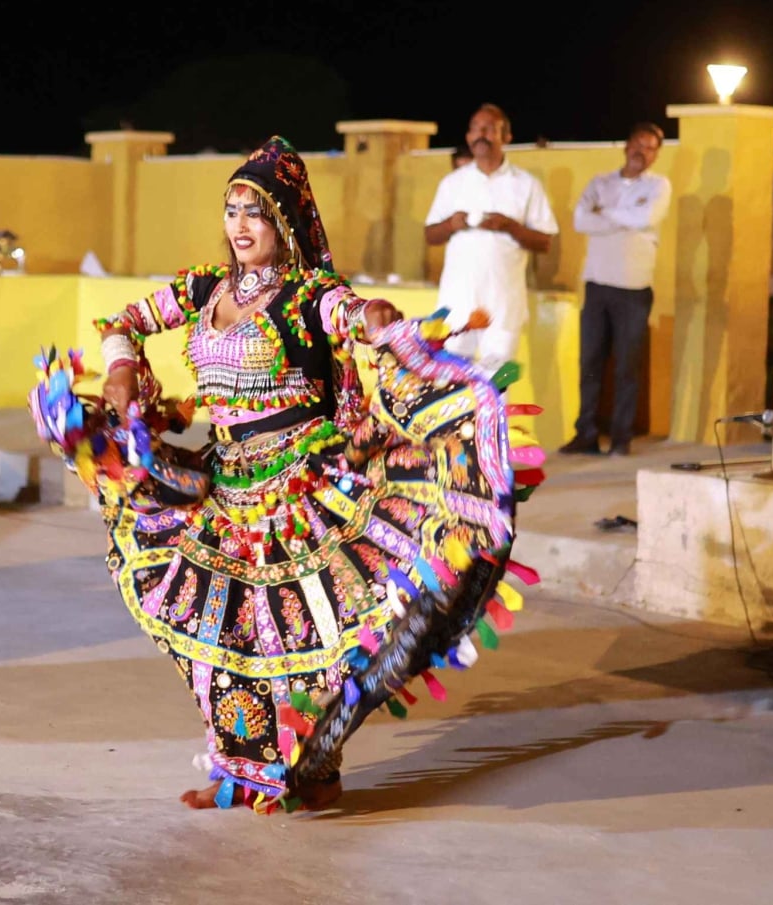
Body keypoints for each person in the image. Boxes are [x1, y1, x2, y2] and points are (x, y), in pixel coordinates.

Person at [27, 136, 545, 815]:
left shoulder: (308, 294)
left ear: (283, 224)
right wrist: (122, 363)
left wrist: (374, 317)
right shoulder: (202, 288)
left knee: (315, 639)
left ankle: (319, 761)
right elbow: (121, 319)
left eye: (255, 213)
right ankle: (240, 771)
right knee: (225, 638)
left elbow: (349, 313)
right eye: (232, 210)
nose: (240, 227)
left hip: (303, 488)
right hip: (224, 486)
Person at [559, 123, 671, 457]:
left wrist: (604, 214)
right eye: (638, 144)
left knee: (627, 366)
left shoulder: (658, 186)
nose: (642, 152)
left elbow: (647, 216)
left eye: (650, 148)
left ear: (655, 155)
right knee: (590, 362)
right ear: (626, 145)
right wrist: (627, 217)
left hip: (634, 288)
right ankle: (587, 434)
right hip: (596, 284)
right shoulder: (599, 182)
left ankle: (621, 438)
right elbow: (581, 220)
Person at [424, 104, 559, 374]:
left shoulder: (526, 184)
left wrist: (509, 226)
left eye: (489, 129)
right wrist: (452, 224)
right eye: (475, 128)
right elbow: (430, 235)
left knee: (495, 387)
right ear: (468, 137)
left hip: (503, 307)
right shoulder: (453, 183)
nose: (480, 134)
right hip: (457, 305)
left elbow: (544, 242)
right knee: (451, 386)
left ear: (506, 137)